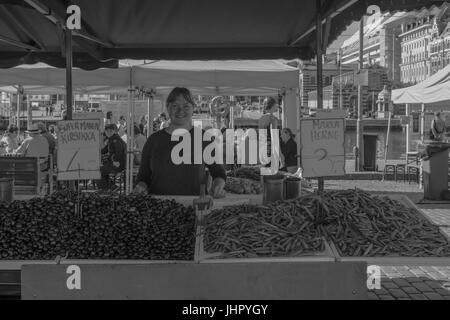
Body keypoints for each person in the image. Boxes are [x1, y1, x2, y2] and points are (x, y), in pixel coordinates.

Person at [134, 87, 226, 197]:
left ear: (193, 108)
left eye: (186, 106)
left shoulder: (204, 139)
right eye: (175, 106)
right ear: (168, 108)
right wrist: (141, 187)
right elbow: (143, 177)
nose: (180, 110)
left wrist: (218, 185)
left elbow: (218, 173)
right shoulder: (153, 141)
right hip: (159, 208)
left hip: (196, 208)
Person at [98, 124, 127, 190]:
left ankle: (107, 188)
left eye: (110, 131)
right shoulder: (111, 139)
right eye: (107, 131)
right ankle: (112, 187)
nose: (108, 132)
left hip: (117, 164)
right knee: (102, 170)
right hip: (116, 163)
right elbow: (104, 151)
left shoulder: (116, 140)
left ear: (114, 131)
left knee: (98, 171)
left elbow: (118, 154)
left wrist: (113, 159)